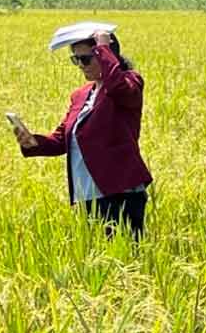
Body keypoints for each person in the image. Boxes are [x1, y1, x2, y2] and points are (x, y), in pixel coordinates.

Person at [11, 26, 153, 238]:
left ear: (106, 56)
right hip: (86, 195)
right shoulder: (81, 95)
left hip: (119, 193)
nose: (80, 65)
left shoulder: (129, 82)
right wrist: (33, 142)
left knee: (125, 255)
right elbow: (61, 140)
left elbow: (118, 87)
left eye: (86, 59)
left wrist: (104, 47)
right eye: (75, 59)